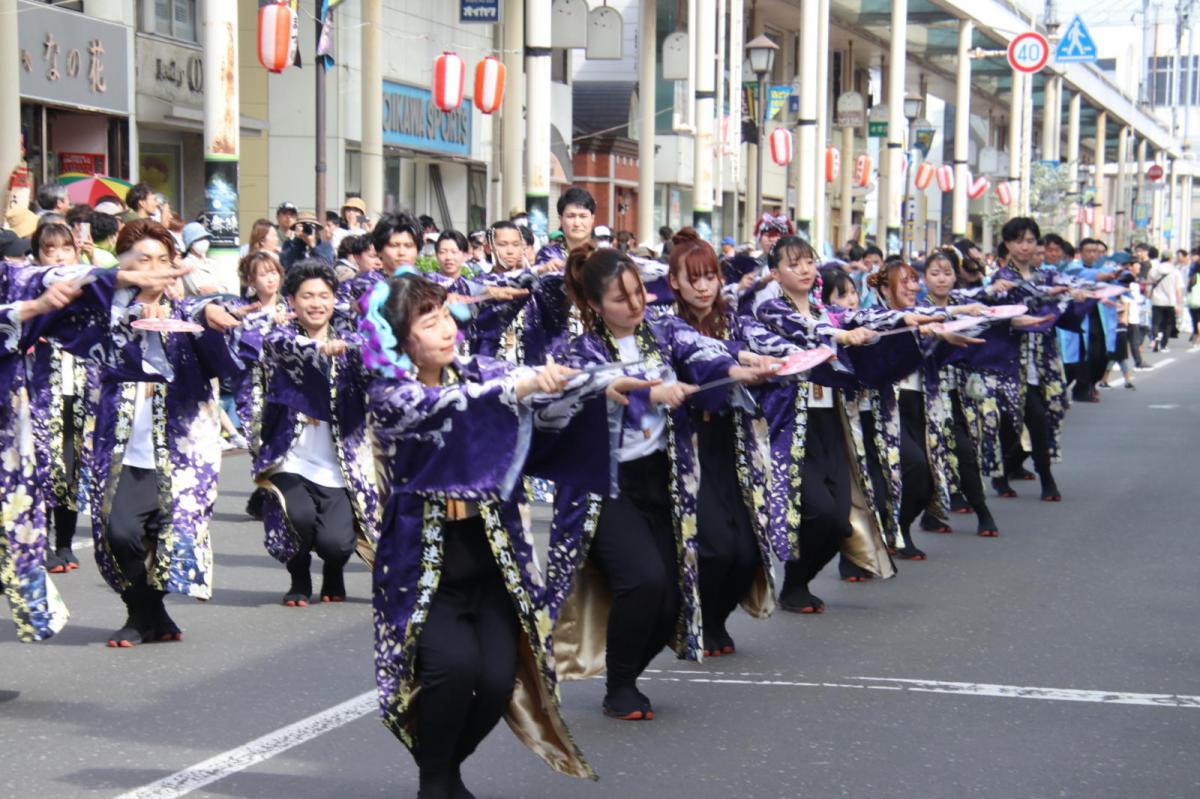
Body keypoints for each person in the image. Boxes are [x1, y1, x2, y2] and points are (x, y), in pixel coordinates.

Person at [363, 274, 598, 798]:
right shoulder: (389, 394)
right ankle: (435, 783)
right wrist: (522, 388)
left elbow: (534, 391)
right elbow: (454, 406)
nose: (446, 329)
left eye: (447, 315)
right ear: (399, 338)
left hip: (492, 557)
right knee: (450, 673)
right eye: (429, 322)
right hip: (426, 563)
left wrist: (604, 387)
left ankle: (443, 770)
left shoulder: (479, 369)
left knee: (495, 683)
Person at [546, 246, 774, 720]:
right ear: (594, 305)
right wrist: (648, 392)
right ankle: (620, 685)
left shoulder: (664, 329)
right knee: (643, 581)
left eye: (638, 293)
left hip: (664, 478)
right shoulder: (579, 349)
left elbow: (703, 350)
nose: (635, 305)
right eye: (620, 299)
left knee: (672, 598)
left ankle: (627, 671)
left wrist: (740, 367)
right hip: (606, 487)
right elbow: (587, 388)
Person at [90, 219, 249, 647]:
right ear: (124, 265)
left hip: (180, 451)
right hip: (122, 446)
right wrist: (131, 318)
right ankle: (145, 612)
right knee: (119, 533)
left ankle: (144, 615)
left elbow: (224, 356)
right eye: (143, 260)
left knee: (172, 537)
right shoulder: (105, 317)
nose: (154, 269)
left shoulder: (190, 315)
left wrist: (211, 318)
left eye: (163, 260)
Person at [666, 229, 789, 654]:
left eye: (710, 277)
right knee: (714, 546)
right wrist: (739, 362)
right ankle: (698, 622)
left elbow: (763, 342)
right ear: (674, 282)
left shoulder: (734, 316)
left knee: (749, 549)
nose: (703, 287)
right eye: (693, 278)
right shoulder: (664, 323)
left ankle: (716, 619)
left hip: (734, 440)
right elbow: (701, 354)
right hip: (688, 444)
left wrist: (802, 352)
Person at [251, 261, 380, 606]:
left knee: (336, 544)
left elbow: (378, 370)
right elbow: (278, 346)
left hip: (337, 463)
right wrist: (318, 350)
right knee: (298, 516)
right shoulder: (279, 339)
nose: (316, 303)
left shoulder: (353, 342)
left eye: (324, 296)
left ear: (335, 299)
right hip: (290, 458)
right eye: (307, 296)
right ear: (292, 301)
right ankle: (299, 575)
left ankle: (334, 571)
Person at [179, 222, 222, 296]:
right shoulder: (186, 264)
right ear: (190, 244)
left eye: (205, 238)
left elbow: (225, 287)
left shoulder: (212, 263)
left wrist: (216, 289)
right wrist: (218, 289)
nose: (204, 241)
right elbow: (200, 291)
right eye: (199, 239)